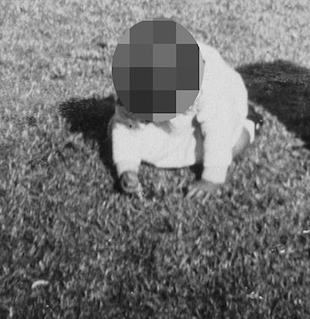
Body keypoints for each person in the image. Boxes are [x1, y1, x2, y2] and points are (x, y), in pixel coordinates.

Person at [110, 36, 260, 198]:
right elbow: (126, 126)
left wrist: (211, 179)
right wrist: (127, 168)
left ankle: (250, 121)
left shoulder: (211, 88)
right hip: (177, 118)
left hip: (223, 109)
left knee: (233, 143)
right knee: (122, 131)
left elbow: (219, 131)